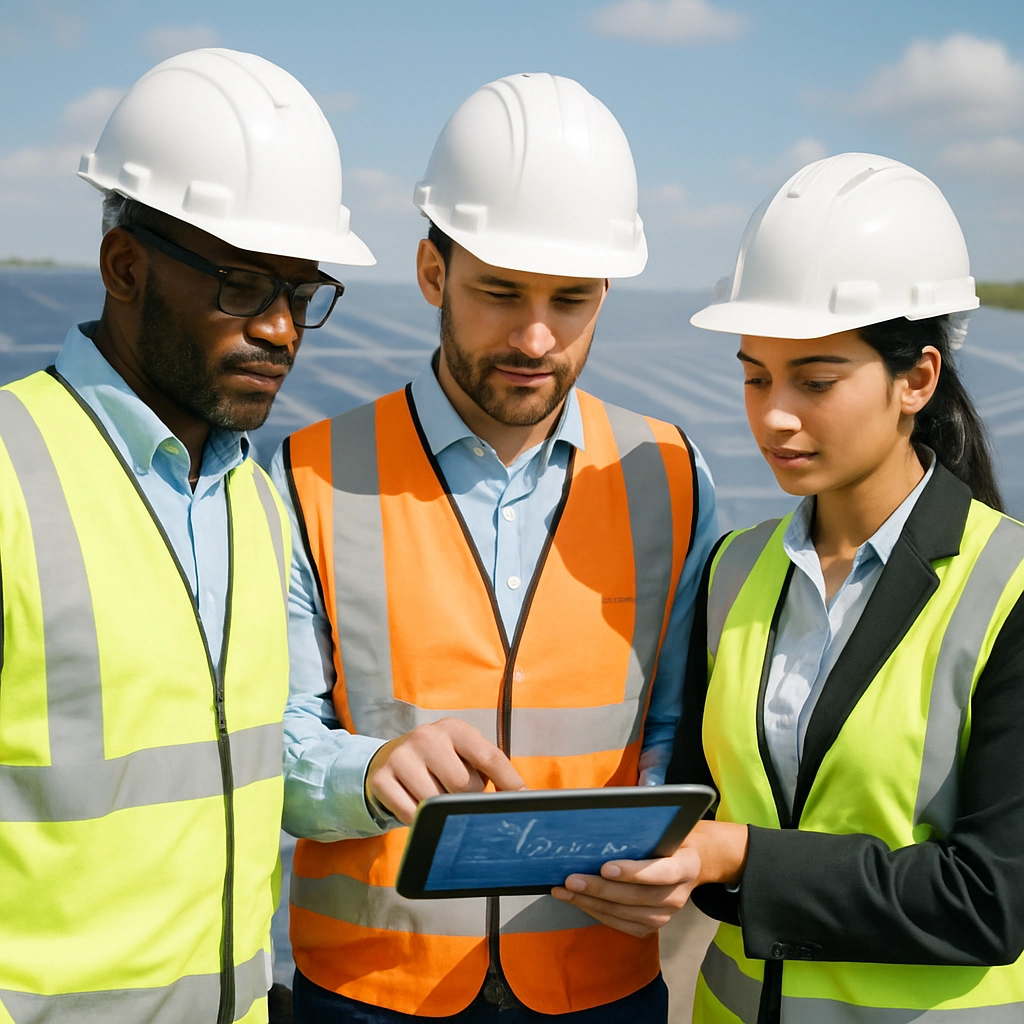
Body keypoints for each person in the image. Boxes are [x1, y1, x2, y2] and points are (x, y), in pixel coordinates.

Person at [272, 73, 718, 1022]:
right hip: (369, 993)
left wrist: (679, 845)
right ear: (433, 273)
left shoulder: (672, 474)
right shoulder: (312, 471)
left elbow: (681, 736)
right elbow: (271, 739)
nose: (535, 335)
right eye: (499, 292)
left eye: (572, 299)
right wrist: (366, 771)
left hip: (601, 989)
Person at [0, 48, 373, 1024]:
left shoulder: (254, 501)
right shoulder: (6, 471)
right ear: (124, 267)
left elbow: (247, 757)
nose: (284, 329)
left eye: (302, 293)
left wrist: (368, 772)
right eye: (245, 286)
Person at [664, 152, 1024, 1023]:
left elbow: (992, 899)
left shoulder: (1010, 587)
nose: (774, 415)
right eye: (755, 376)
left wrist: (742, 858)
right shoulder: (732, 570)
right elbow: (699, 823)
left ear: (918, 380)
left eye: (815, 381)